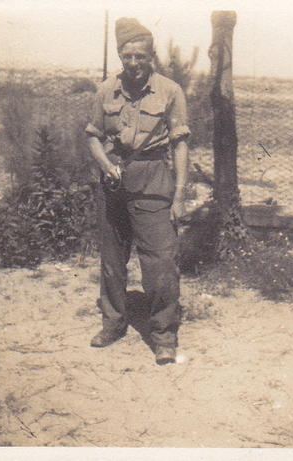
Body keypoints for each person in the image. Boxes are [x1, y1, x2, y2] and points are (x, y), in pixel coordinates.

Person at [85, 17, 190, 365]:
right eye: (127, 57)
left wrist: (178, 196)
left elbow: (180, 145)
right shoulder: (106, 90)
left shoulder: (170, 91)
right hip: (116, 181)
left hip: (154, 179)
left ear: (152, 56)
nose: (133, 64)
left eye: (140, 57)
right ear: (120, 56)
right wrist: (106, 166)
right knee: (113, 261)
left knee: (160, 262)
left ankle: (163, 336)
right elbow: (93, 136)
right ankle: (113, 323)